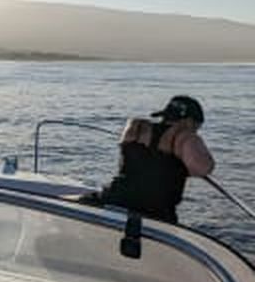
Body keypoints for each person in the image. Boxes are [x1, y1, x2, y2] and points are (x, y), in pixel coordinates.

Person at [80, 95, 214, 223]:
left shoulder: (135, 128)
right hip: (155, 214)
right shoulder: (186, 137)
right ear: (189, 122)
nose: (197, 131)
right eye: (198, 126)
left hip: (111, 200)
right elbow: (203, 169)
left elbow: (125, 163)